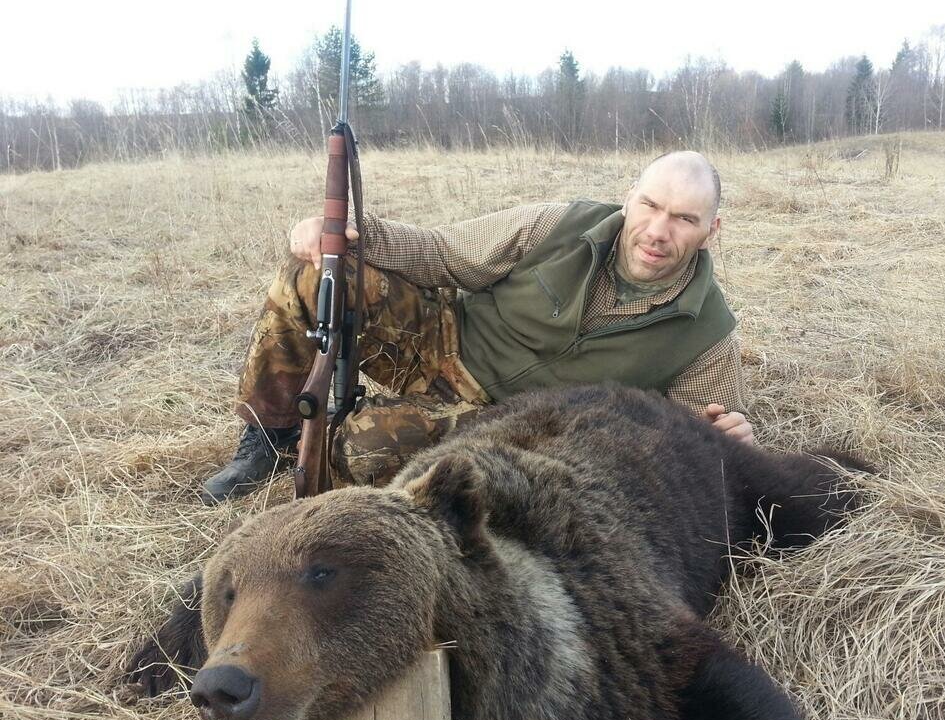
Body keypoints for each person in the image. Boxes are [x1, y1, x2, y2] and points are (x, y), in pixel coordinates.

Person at [201, 151, 753, 505]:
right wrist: (348, 233)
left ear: (711, 230)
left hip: (503, 418)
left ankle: (341, 433)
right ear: (630, 199)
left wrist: (730, 436)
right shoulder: (557, 225)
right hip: (442, 340)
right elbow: (443, 253)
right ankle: (267, 437)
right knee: (316, 275)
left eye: (684, 218)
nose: (659, 230)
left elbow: (688, 436)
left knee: (363, 449)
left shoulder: (708, 334)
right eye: (651, 205)